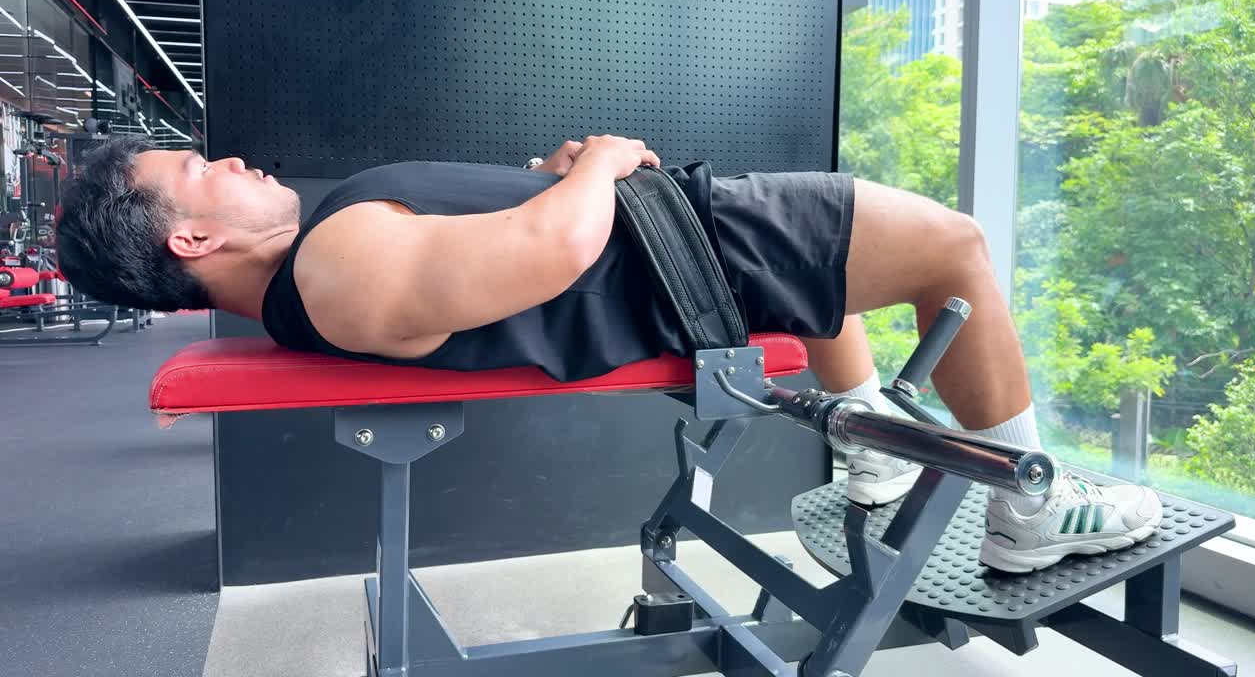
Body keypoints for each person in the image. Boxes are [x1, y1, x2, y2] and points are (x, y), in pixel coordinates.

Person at [55, 134, 1162, 573]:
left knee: (847, 259)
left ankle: (874, 459)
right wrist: (600, 162)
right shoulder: (333, 273)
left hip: (673, 246)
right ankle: (1029, 515)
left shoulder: (321, 259)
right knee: (956, 249)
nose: (232, 161)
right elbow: (551, 249)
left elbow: (509, 246)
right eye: (197, 169)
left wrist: (567, 179)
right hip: (693, 262)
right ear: (189, 240)